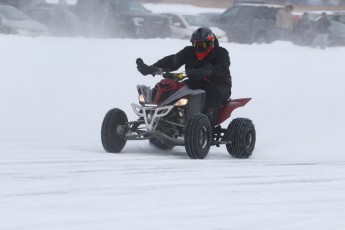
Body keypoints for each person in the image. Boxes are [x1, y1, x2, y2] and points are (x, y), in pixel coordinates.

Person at [136, 27, 232, 128]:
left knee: (213, 93)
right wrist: (152, 68)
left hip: (218, 85)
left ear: (210, 43)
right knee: (173, 88)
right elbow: (173, 60)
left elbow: (222, 67)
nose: (198, 48)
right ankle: (165, 118)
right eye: (196, 45)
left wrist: (209, 71)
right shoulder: (189, 52)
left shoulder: (221, 53)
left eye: (202, 45)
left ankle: (206, 126)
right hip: (194, 82)